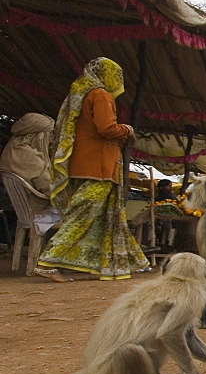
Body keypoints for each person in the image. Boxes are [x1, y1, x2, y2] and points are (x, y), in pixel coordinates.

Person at [36, 57, 149, 282]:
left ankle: (123, 262)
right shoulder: (100, 95)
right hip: (98, 167)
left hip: (82, 165)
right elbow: (107, 128)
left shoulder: (81, 95)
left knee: (103, 217)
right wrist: (127, 129)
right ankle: (47, 263)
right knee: (82, 216)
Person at [0, 112, 54, 213]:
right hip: (41, 212)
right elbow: (50, 189)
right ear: (34, 135)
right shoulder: (30, 156)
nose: (51, 140)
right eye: (49, 135)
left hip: (24, 212)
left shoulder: (11, 147)